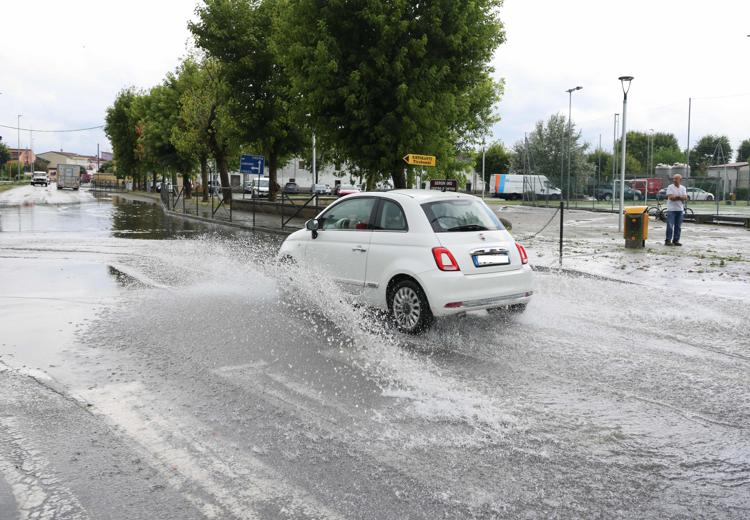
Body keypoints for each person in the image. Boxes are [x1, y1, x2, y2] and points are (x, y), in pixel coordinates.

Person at [665, 174, 687, 246]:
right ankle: (668, 240)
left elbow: (685, 197)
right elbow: (671, 198)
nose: (674, 180)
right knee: (670, 226)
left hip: (680, 210)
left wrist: (677, 197)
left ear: (680, 180)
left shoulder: (683, 188)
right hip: (671, 209)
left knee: (678, 226)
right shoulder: (670, 187)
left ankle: (676, 240)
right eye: (673, 179)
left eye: (676, 179)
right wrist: (680, 197)